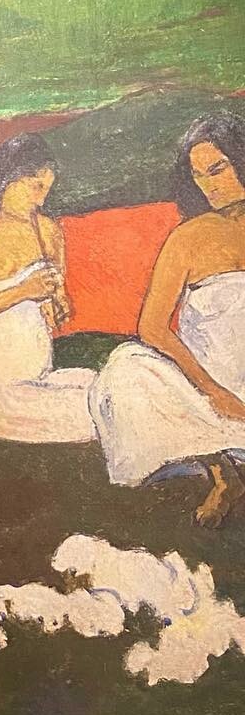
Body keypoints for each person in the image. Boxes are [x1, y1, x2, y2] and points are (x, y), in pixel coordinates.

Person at [89, 114, 245, 526]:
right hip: (201, 385)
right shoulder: (188, 238)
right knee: (125, 369)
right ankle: (221, 470)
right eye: (198, 176)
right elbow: (152, 327)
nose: (209, 186)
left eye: (218, 169)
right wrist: (213, 391)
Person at [0, 133, 96, 443]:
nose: (41, 200)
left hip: (41, 378)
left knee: (116, 383)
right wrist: (23, 291)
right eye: (36, 187)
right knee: (109, 406)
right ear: (7, 179)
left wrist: (57, 304)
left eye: (47, 190)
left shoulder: (48, 231)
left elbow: (53, 303)